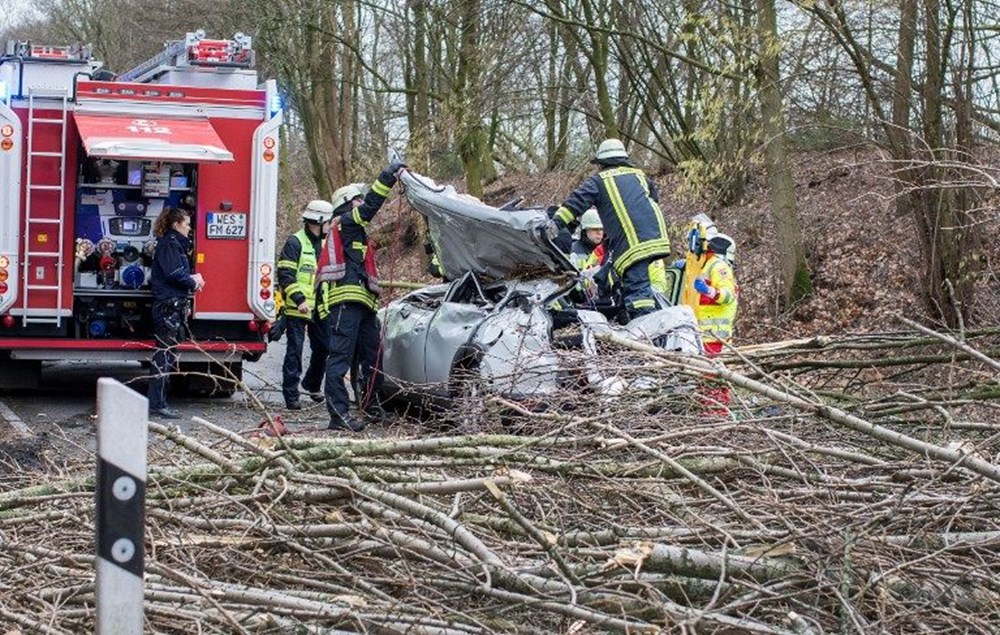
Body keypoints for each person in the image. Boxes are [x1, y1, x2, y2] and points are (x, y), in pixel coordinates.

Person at [316, 161, 407, 432]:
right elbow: (370, 208)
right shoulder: (347, 223)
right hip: (345, 302)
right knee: (340, 358)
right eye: (357, 198)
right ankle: (338, 415)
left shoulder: (354, 230)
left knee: (373, 355)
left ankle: (371, 405)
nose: (361, 202)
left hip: (363, 303)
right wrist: (387, 177)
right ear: (347, 204)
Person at [550, 138, 671, 321]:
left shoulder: (599, 181)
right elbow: (653, 199)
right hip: (655, 236)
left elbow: (575, 204)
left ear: (601, 163)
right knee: (637, 283)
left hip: (632, 242)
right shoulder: (639, 176)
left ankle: (645, 324)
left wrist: (553, 226)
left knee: (637, 289)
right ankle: (637, 319)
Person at [147, 207, 205, 419]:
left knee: (166, 354)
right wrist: (192, 281)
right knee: (164, 355)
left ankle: (159, 402)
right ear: (176, 224)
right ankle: (157, 404)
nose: (189, 228)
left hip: (170, 306)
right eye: (187, 223)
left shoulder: (172, 244)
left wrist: (191, 279)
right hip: (168, 307)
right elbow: (174, 273)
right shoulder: (171, 245)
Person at [276, 200, 334, 410]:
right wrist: (299, 300)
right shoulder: (295, 243)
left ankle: (311, 383)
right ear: (319, 221)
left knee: (325, 347)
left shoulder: (326, 244)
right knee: (295, 351)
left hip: (320, 306)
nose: (330, 226)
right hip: (297, 307)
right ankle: (291, 395)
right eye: (328, 221)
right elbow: (285, 274)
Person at [691, 233, 739, 413]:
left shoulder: (719, 266)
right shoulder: (706, 265)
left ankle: (717, 415)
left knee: (713, 377)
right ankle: (709, 413)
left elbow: (727, 296)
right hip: (704, 336)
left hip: (714, 337)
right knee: (706, 378)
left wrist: (708, 291)